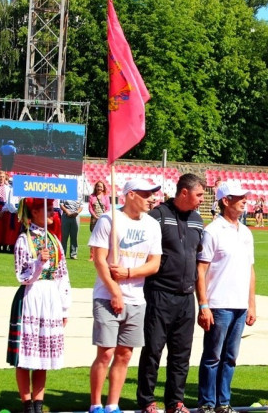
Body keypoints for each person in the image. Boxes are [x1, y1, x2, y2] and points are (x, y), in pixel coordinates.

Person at [88, 179, 163, 413]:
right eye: (146, 194)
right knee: (106, 352)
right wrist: (114, 291)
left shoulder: (152, 225)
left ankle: (113, 405)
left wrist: (129, 273)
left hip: (137, 299)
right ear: (131, 195)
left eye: (153, 194)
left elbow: (154, 264)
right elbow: (99, 260)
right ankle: (96, 405)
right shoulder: (109, 219)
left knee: (124, 354)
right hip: (106, 296)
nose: (152, 199)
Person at [137, 174, 206, 413]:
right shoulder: (157, 216)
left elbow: (197, 257)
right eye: (199, 195)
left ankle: (175, 401)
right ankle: (147, 400)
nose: (202, 199)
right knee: (153, 350)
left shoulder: (198, 220)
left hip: (186, 297)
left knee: (181, 354)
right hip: (159, 294)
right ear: (184, 192)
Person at [196, 181, 257, 413]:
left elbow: (250, 270)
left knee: (230, 357)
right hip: (218, 303)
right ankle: (207, 403)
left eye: (244, 196)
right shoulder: (212, 231)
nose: (244, 200)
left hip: (240, 305)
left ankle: (223, 402)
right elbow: (201, 270)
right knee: (213, 356)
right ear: (225, 200)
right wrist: (203, 304)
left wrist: (251, 304)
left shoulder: (246, 232)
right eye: (239, 197)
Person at [6, 197, 71, 413]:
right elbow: (21, 275)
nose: (53, 213)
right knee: (25, 357)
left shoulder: (54, 240)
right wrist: (38, 263)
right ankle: (27, 405)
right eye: (48, 209)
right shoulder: (23, 240)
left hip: (50, 298)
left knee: (44, 356)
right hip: (31, 296)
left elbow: (62, 275)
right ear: (34, 212)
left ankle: (38, 405)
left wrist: (64, 307)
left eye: (52, 209)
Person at [0, 170, 18, 252]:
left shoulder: (8, 188)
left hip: (6, 209)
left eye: (3, 177)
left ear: (5, 177)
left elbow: (9, 200)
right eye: (0, 176)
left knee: (5, 228)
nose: (1, 178)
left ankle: (5, 245)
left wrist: (4, 209)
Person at [88, 181, 110, 261]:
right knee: (93, 237)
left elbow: (108, 208)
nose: (99, 188)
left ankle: (104, 256)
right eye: (98, 186)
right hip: (94, 219)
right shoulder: (92, 196)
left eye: (101, 187)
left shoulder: (106, 197)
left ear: (103, 188)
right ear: (96, 187)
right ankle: (92, 256)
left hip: (103, 219)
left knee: (104, 237)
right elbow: (90, 208)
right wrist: (95, 216)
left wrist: (103, 216)